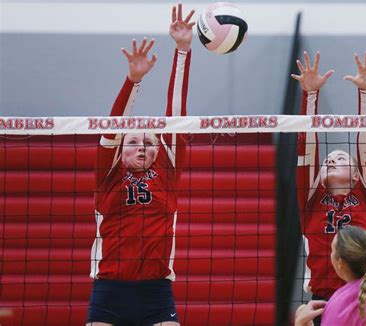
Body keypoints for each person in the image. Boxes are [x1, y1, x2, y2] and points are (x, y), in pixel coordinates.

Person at [86, 4, 195, 326]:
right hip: (109, 289)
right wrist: (133, 81)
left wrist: (183, 51)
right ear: (119, 150)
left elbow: (176, 115)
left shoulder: (167, 171)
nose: (142, 147)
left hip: (156, 291)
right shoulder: (108, 175)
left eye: (149, 142)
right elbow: (114, 126)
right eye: (133, 142)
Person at [292, 51, 366, 324]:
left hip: (363, 298)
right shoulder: (311, 201)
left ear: (357, 176)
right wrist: (310, 96)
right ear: (319, 175)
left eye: (341, 158)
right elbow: (306, 151)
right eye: (328, 160)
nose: (332, 159)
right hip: (322, 302)